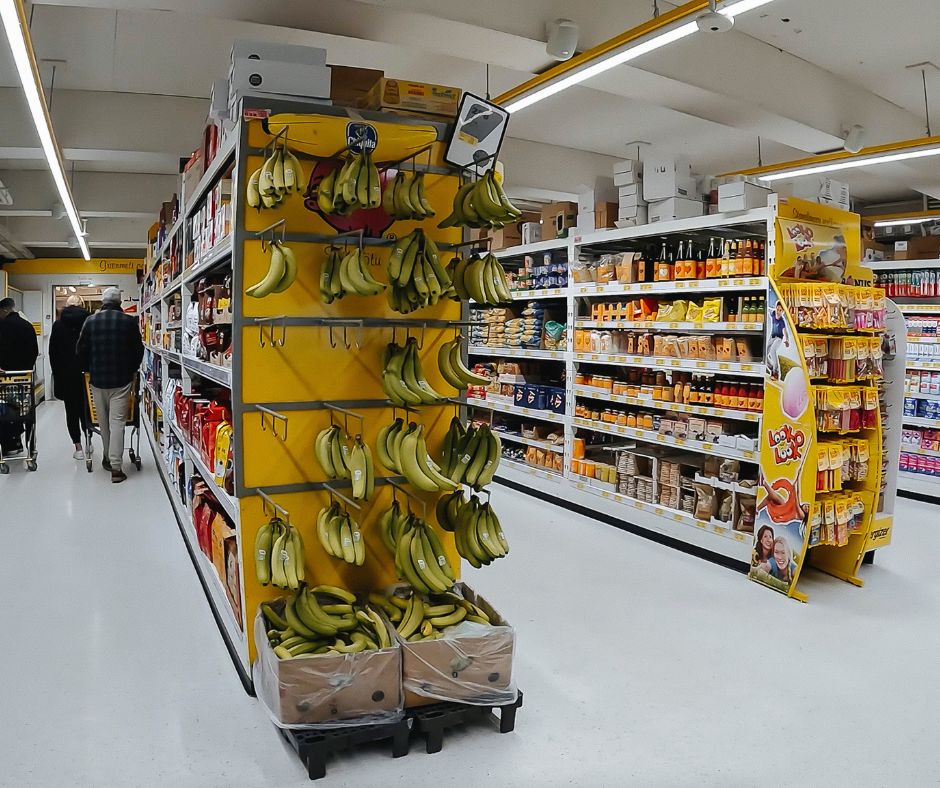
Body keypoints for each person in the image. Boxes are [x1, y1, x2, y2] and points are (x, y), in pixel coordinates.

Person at [76, 288, 144, 483]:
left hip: (97, 380)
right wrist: (131, 369)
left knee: (103, 423)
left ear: (103, 301)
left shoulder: (90, 321)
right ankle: (116, 467)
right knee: (118, 423)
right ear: (119, 302)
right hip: (121, 381)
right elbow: (138, 350)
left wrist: (88, 368)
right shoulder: (129, 322)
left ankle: (107, 457)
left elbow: (80, 350)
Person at [49, 295, 91, 459]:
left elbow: (53, 352)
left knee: (71, 411)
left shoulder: (58, 325)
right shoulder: (89, 322)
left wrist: (57, 374)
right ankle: (89, 441)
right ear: (82, 305)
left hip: (66, 375)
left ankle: (78, 448)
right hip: (86, 374)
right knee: (87, 409)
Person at [0, 297, 40, 455]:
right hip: (24, 377)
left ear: (4, 310)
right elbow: (34, 351)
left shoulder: (3, 326)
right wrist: (26, 368)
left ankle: (10, 443)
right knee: (22, 410)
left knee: (5, 411)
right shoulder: (27, 325)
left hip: (5, 378)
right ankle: (26, 443)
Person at [766, 300, 789, 381]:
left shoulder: (782, 321)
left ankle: (776, 372)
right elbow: (767, 309)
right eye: (777, 309)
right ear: (775, 308)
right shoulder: (772, 313)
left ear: (783, 312)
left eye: (780, 310)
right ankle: (772, 368)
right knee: (765, 354)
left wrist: (787, 340)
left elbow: (785, 331)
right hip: (772, 336)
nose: (778, 312)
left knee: (772, 351)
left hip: (779, 338)